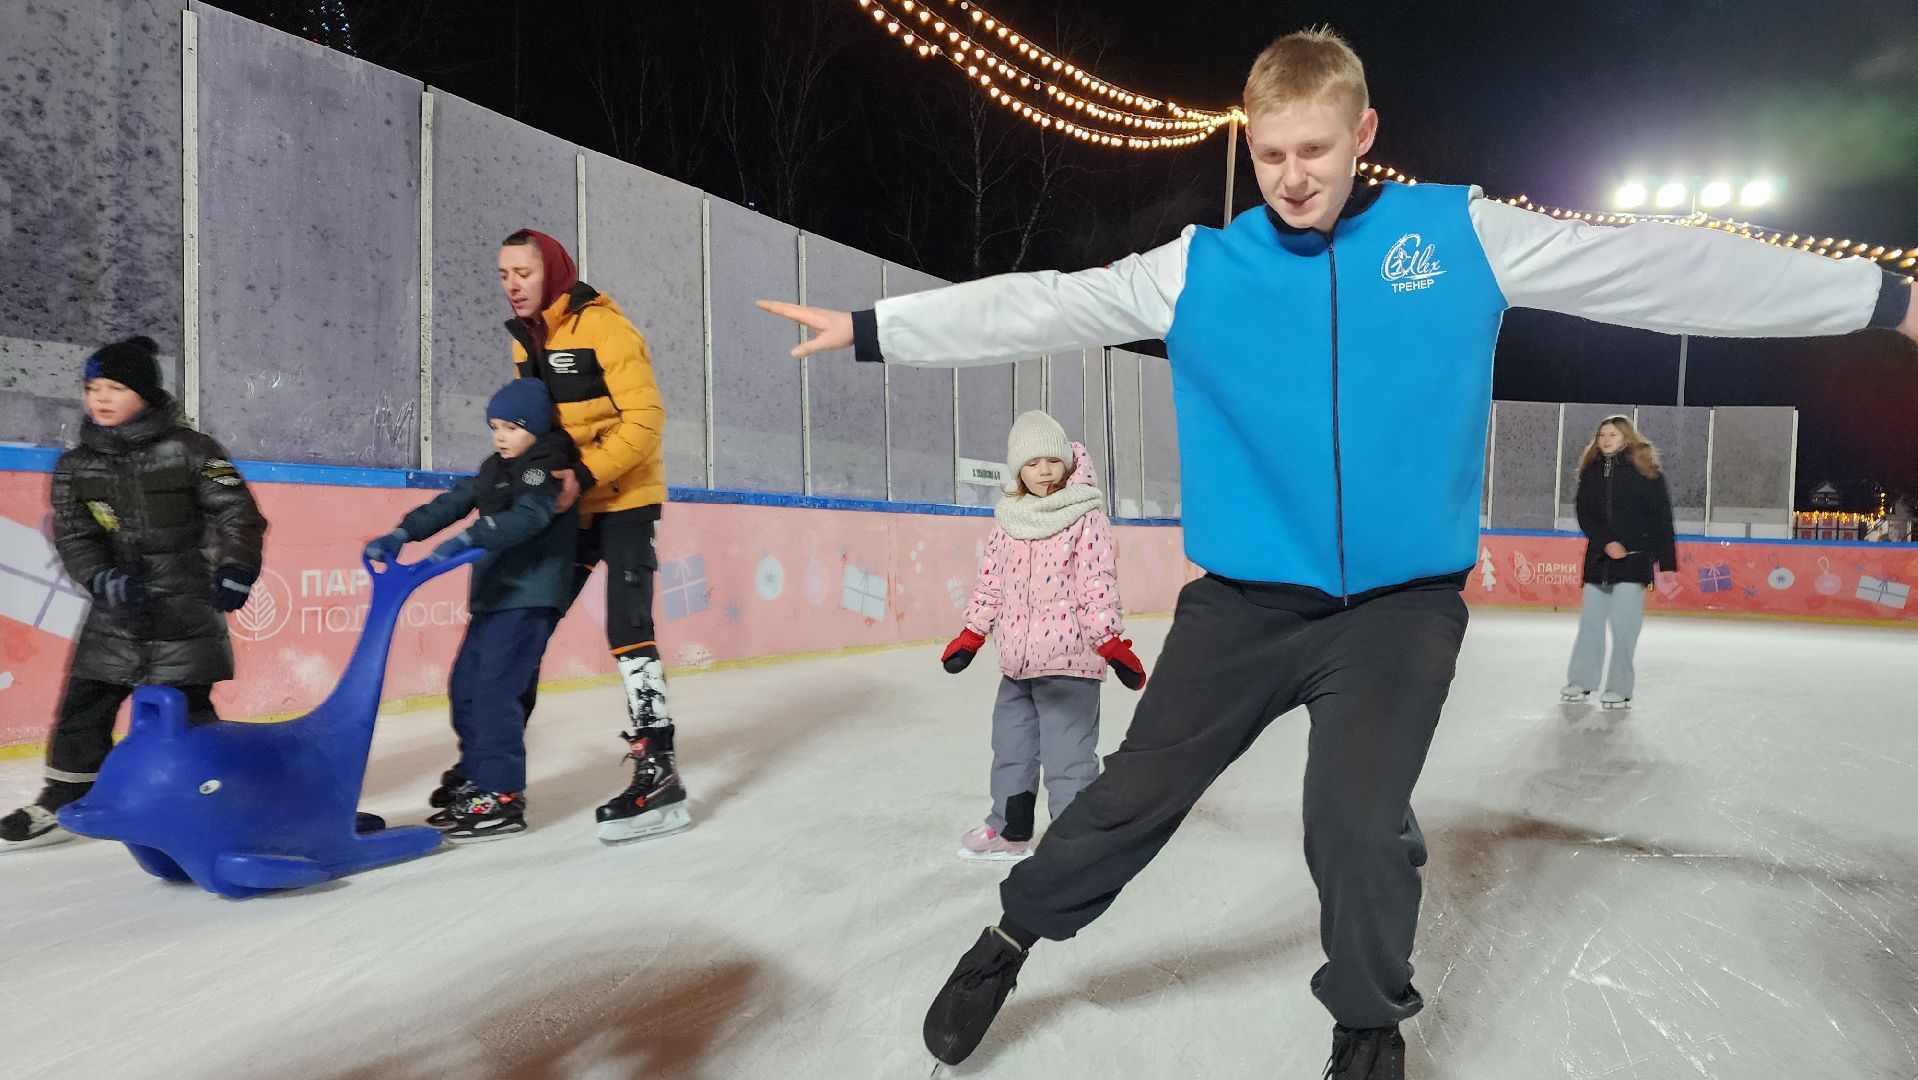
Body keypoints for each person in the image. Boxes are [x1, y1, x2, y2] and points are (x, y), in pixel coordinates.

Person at [760, 25, 1915, 1077]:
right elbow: (1044, 306)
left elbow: (1665, 268)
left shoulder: (1459, 235)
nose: (1293, 176)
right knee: (1129, 798)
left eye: (1315, 149)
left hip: (1398, 613)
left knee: (1357, 821)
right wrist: (874, 329)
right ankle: (1010, 935)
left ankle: (1367, 1022)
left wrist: (1879, 298)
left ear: (1363, 134)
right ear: (1248, 145)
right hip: (1244, 607)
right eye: (1269, 155)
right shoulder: (1198, 268)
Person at [1, 336, 266, 851]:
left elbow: (237, 514)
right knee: (84, 705)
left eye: (115, 387)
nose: (100, 397)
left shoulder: (194, 451)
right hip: (117, 613)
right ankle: (64, 797)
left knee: (186, 712)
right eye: (92, 387)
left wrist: (236, 569)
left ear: (145, 393)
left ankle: (206, 795)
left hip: (183, 607)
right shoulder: (76, 465)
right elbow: (74, 534)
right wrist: (99, 577)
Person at [494, 228, 688, 844]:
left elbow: (646, 420)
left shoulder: (606, 329)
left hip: (625, 499)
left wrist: (583, 473)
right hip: (568, 506)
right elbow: (538, 426)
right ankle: (495, 772)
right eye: (503, 275)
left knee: (628, 629)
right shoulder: (526, 342)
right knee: (527, 619)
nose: (512, 285)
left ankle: (657, 768)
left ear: (551, 270)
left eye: (522, 272)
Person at [363, 380, 578, 841]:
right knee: (465, 689)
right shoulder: (496, 468)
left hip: (530, 595)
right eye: (495, 427)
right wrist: (403, 534)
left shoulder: (545, 466)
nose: (501, 436)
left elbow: (531, 516)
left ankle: (502, 793)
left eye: (513, 427)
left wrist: (471, 537)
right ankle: (477, 775)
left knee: (494, 691)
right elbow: (455, 501)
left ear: (536, 428)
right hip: (495, 596)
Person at [941, 411, 1146, 862]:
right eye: (1033, 463)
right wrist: (972, 634)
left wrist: (1109, 642)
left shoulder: (1084, 517)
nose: (1045, 471)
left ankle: (1074, 844)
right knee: (1011, 749)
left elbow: (1097, 583)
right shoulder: (1008, 521)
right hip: (1016, 665)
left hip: (1071, 663)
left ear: (1067, 465)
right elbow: (992, 583)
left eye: (1053, 461)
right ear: (1017, 470)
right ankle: (1009, 830)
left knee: (1068, 759)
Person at [1561, 415, 1677, 709]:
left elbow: (1662, 517)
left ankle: (1620, 688)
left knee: (1625, 627)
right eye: (1602, 435)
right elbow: (1585, 513)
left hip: (1634, 561)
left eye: (1612, 434)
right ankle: (1582, 680)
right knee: (1590, 624)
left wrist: (1667, 563)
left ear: (1626, 437)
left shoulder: (1647, 471)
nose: (1606, 440)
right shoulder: (1592, 470)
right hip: (1599, 561)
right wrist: (1605, 542)